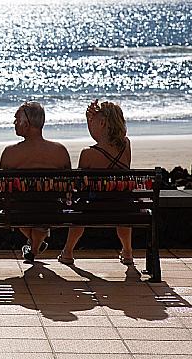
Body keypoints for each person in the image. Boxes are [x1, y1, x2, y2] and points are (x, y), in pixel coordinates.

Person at [59, 99, 133, 266]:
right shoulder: (125, 145)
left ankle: (68, 251)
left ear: (102, 123)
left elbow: (79, 185)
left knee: (79, 209)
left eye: (94, 121)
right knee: (124, 209)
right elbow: (102, 139)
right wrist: (90, 119)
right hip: (121, 205)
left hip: (92, 206)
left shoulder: (88, 154)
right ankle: (127, 251)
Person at [0, 101, 71, 262]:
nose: (14, 123)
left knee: (12, 207)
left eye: (17, 119)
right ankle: (34, 245)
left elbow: (2, 188)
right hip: (52, 211)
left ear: (27, 124)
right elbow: (68, 186)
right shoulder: (60, 151)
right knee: (41, 213)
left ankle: (33, 245)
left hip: (18, 212)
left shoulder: (10, 153)